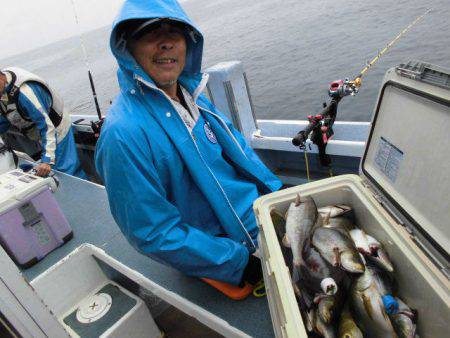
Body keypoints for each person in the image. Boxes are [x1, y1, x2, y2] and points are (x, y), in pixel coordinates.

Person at [95, 0, 282, 286]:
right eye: (150, 33)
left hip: (266, 217)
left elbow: (242, 155)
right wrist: (236, 263)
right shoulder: (122, 134)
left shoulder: (195, 97)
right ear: (127, 48)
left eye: (175, 32)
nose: (167, 43)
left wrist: (277, 195)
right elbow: (152, 230)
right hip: (234, 251)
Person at [0, 67, 86, 178]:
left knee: (67, 173)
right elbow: (7, 116)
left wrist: (47, 160)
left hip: (56, 129)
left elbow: (47, 127)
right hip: (39, 133)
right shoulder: (4, 89)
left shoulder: (25, 92)